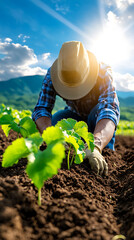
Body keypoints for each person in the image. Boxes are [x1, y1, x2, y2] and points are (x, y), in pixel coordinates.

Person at [32, 41, 120, 176]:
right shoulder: (53, 75)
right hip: (75, 116)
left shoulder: (103, 71)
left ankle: (103, 154)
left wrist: (95, 145)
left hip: (97, 118)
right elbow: (42, 109)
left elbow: (109, 110)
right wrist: (52, 137)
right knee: (56, 120)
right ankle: (67, 151)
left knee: (98, 115)